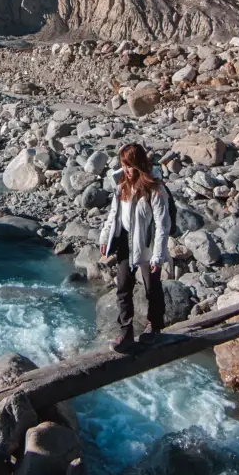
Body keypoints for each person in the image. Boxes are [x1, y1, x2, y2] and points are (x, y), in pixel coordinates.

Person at [98, 143, 170, 352]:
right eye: (124, 165)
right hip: (125, 242)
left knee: (152, 289)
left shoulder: (156, 190)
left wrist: (158, 256)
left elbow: (162, 226)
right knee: (122, 288)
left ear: (139, 165)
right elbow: (114, 215)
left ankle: (154, 326)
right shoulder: (122, 187)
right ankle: (126, 332)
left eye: (130, 165)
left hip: (146, 244)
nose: (127, 170)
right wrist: (104, 238)